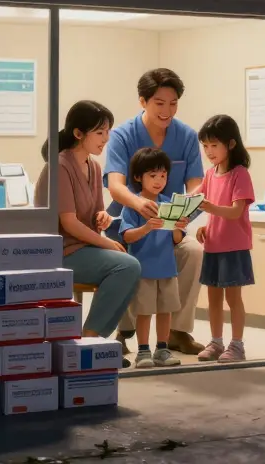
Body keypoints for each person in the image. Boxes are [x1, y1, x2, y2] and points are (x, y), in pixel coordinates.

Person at [105, 68, 206, 355]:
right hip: (131, 221)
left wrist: (184, 212)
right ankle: (125, 330)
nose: (167, 110)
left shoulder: (186, 136)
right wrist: (139, 205)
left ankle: (177, 331)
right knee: (127, 259)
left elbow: (196, 185)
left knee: (194, 252)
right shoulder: (123, 135)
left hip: (170, 224)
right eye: (159, 103)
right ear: (143, 101)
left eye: (173, 103)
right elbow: (115, 185)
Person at [34, 100, 142, 362]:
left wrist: (103, 218)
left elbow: (96, 213)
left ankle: (92, 340)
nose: (106, 138)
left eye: (107, 132)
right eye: (100, 132)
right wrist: (107, 244)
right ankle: (90, 339)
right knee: (127, 265)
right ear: (78, 133)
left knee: (130, 264)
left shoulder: (93, 166)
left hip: (83, 248)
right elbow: (69, 223)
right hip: (59, 252)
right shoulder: (60, 165)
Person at [193, 114, 257, 363]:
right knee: (213, 298)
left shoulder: (240, 174)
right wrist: (204, 224)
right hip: (213, 245)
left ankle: (237, 345)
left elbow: (235, 211)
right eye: (205, 146)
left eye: (214, 145)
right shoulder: (211, 174)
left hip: (234, 247)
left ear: (230, 144)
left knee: (233, 298)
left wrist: (210, 209)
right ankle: (216, 342)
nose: (209, 151)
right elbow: (194, 199)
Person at [119, 148, 185, 368]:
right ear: (139, 177)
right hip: (144, 269)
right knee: (144, 311)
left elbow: (176, 239)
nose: (159, 181)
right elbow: (127, 236)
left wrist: (178, 226)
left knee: (166, 310)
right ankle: (143, 351)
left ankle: (162, 350)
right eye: (153, 175)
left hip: (167, 268)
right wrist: (146, 227)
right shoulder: (133, 206)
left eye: (163, 175)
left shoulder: (169, 204)